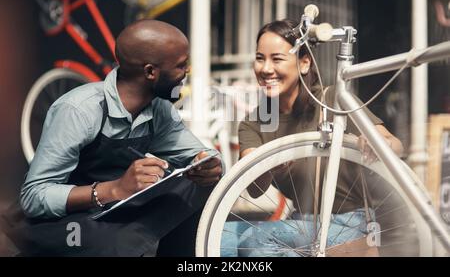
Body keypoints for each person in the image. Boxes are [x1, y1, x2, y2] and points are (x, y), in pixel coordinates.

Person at [8, 19, 223, 256]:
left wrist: (210, 165)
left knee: (197, 186)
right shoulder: (79, 110)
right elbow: (33, 196)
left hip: (116, 209)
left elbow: (199, 154)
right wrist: (114, 189)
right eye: (182, 65)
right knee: (109, 243)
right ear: (150, 72)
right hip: (69, 220)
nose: (187, 71)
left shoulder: (159, 109)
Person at [221, 19, 403, 257]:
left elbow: (395, 145)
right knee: (221, 237)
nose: (265, 69)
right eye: (259, 58)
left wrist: (378, 142)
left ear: (304, 63)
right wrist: (267, 168)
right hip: (300, 222)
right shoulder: (253, 124)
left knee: (256, 241)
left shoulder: (332, 101)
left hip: (352, 222)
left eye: (277, 59)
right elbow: (254, 189)